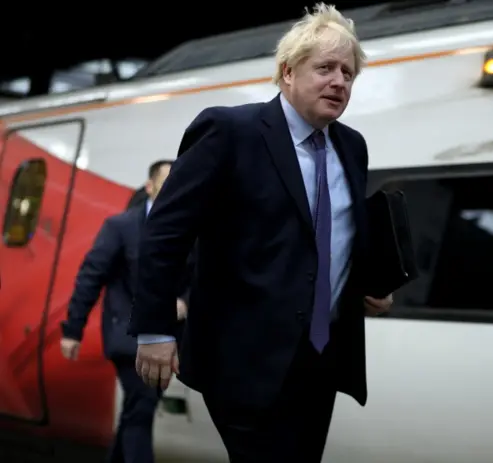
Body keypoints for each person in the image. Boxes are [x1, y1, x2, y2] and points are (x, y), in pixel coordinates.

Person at [128, 3, 393, 462]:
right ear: (288, 72)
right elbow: (164, 233)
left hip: (321, 358)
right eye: (325, 68)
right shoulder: (230, 131)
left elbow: (335, 234)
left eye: (348, 73)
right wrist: (154, 329)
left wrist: (371, 283)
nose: (339, 82)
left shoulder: (352, 146)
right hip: (243, 359)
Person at [60, 160, 190, 463]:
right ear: (149, 186)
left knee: (135, 411)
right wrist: (72, 330)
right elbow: (91, 276)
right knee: (141, 408)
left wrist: (185, 301)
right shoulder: (121, 227)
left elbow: (201, 278)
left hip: (168, 339)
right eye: (166, 180)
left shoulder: (189, 230)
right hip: (127, 336)